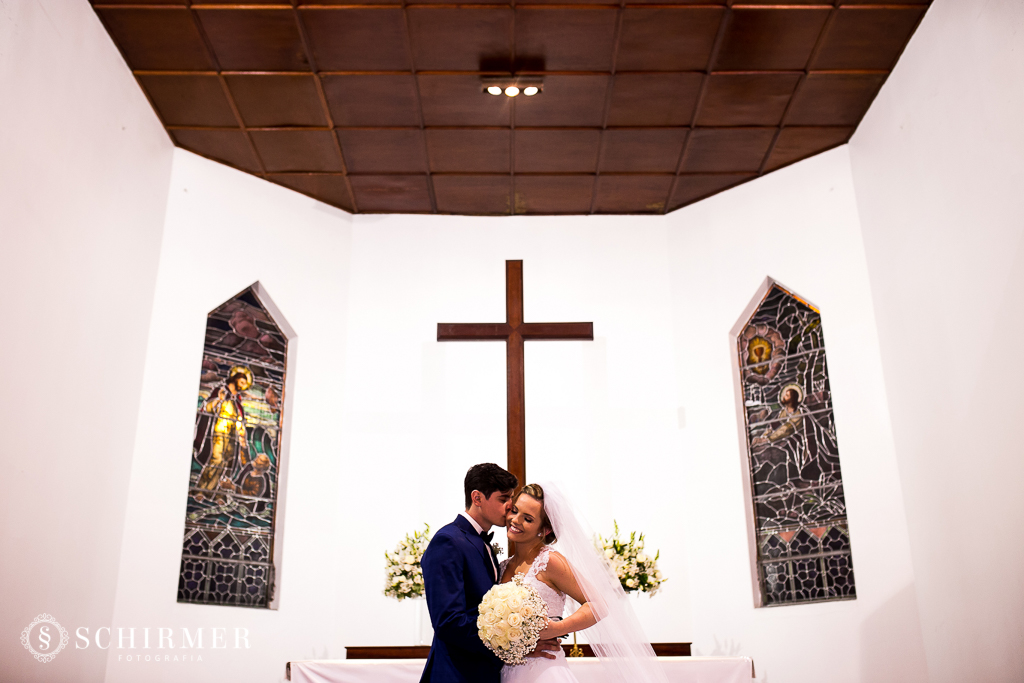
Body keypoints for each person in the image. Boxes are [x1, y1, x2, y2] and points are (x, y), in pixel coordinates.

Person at [499, 482, 670, 683]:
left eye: (527, 519)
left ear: (544, 530)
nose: (515, 520)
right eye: (515, 511)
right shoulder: (502, 565)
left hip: (544, 672)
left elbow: (599, 604)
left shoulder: (550, 561)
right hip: (508, 671)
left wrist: (558, 628)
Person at [419, 464, 560, 683]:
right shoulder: (448, 541)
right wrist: (518, 645)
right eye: (503, 499)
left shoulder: (481, 542)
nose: (509, 507)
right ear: (477, 498)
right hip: (456, 673)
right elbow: (449, 621)